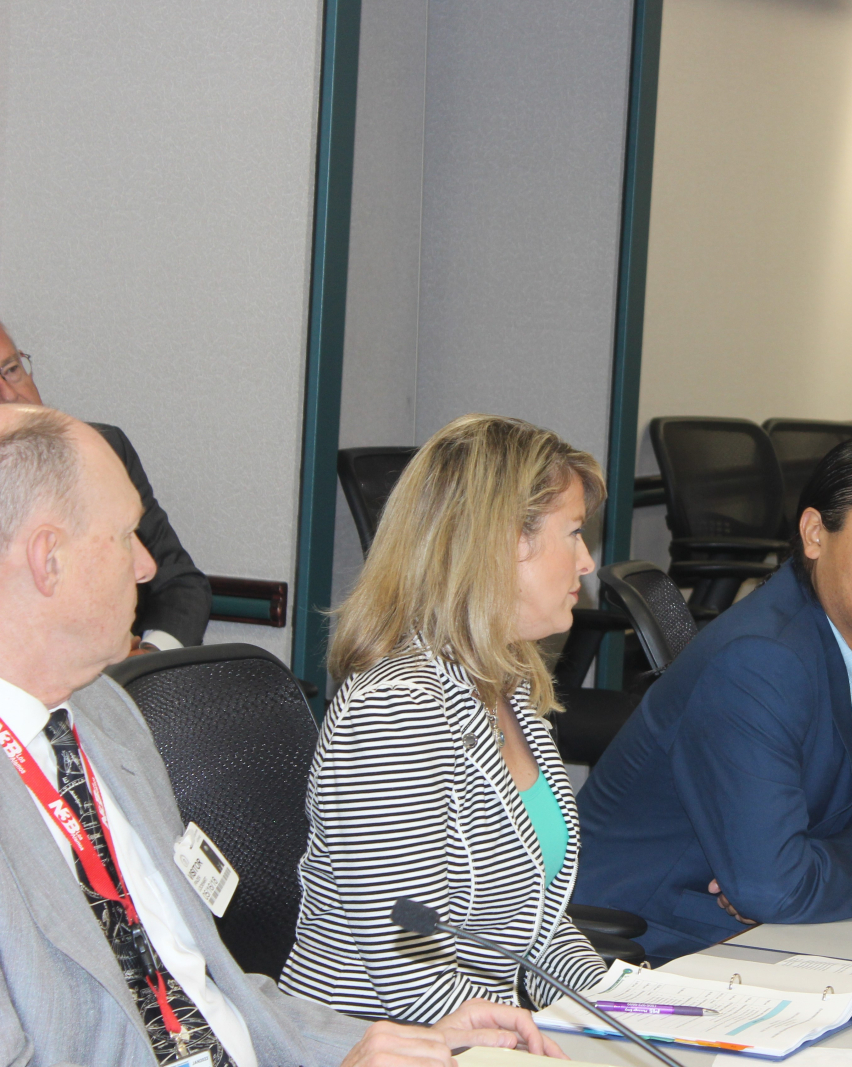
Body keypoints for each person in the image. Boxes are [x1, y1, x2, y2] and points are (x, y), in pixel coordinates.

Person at [0, 404, 561, 1067]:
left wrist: (389, 1041)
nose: (150, 567)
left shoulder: (106, 715)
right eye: (126, 535)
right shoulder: (398, 705)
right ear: (48, 558)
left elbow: (210, 989)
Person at [575, 433, 852, 961]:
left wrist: (797, 871)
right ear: (815, 535)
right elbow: (780, 884)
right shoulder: (759, 661)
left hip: (795, 927)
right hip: (653, 937)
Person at [281, 415, 608, 1019]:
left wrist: (618, 1005)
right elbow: (410, 970)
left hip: (474, 1036)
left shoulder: (507, 687)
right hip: (374, 1045)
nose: (587, 562)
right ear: (505, 540)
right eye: (573, 534)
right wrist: (536, 1041)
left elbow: (537, 926)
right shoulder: (396, 708)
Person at [0, 321, 210, 649]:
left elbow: (178, 583)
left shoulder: (103, 452)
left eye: (11, 369)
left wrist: (147, 662)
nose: (9, 393)